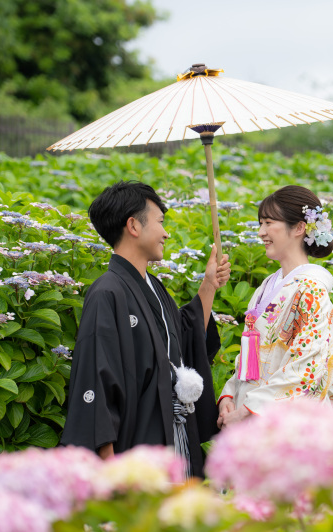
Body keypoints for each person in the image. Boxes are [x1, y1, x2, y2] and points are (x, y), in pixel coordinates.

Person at [61, 181, 231, 479]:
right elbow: (96, 383)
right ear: (133, 226)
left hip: (175, 435)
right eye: (160, 222)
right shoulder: (107, 293)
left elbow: (184, 338)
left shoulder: (153, 286)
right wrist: (111, 471)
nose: (166, 233)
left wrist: (209, 284)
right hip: (137, 445)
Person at [217, 185, 333, 427]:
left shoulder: (311, 288)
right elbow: (252, 355)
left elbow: (307, 367)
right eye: (260, 223)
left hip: (273, 421)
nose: (261, 232)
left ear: (300, 228)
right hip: (248, 408)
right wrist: (229, 395)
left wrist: (248, 410)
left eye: (269, 222)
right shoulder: (269, 284)